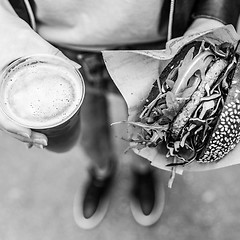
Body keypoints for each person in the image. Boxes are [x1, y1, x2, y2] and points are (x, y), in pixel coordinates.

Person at [0, 0, 239, 229]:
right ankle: (101, 171)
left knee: (148, 132)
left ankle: (143, 172)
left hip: (163, 42)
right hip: (54, 47)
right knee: (88, 132)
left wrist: (213, 14)